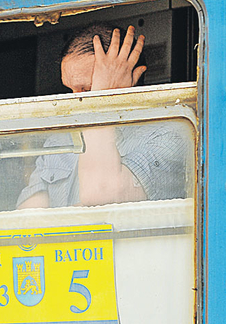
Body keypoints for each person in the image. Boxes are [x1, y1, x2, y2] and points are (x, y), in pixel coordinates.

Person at [17, 23, 190, 208]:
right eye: (71, 90)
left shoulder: (172, 135)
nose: (75, 101)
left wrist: (102, 101)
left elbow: (100, 195)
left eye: (87, 89)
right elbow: (27, 215)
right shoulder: (60, 140)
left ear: (125, 79)